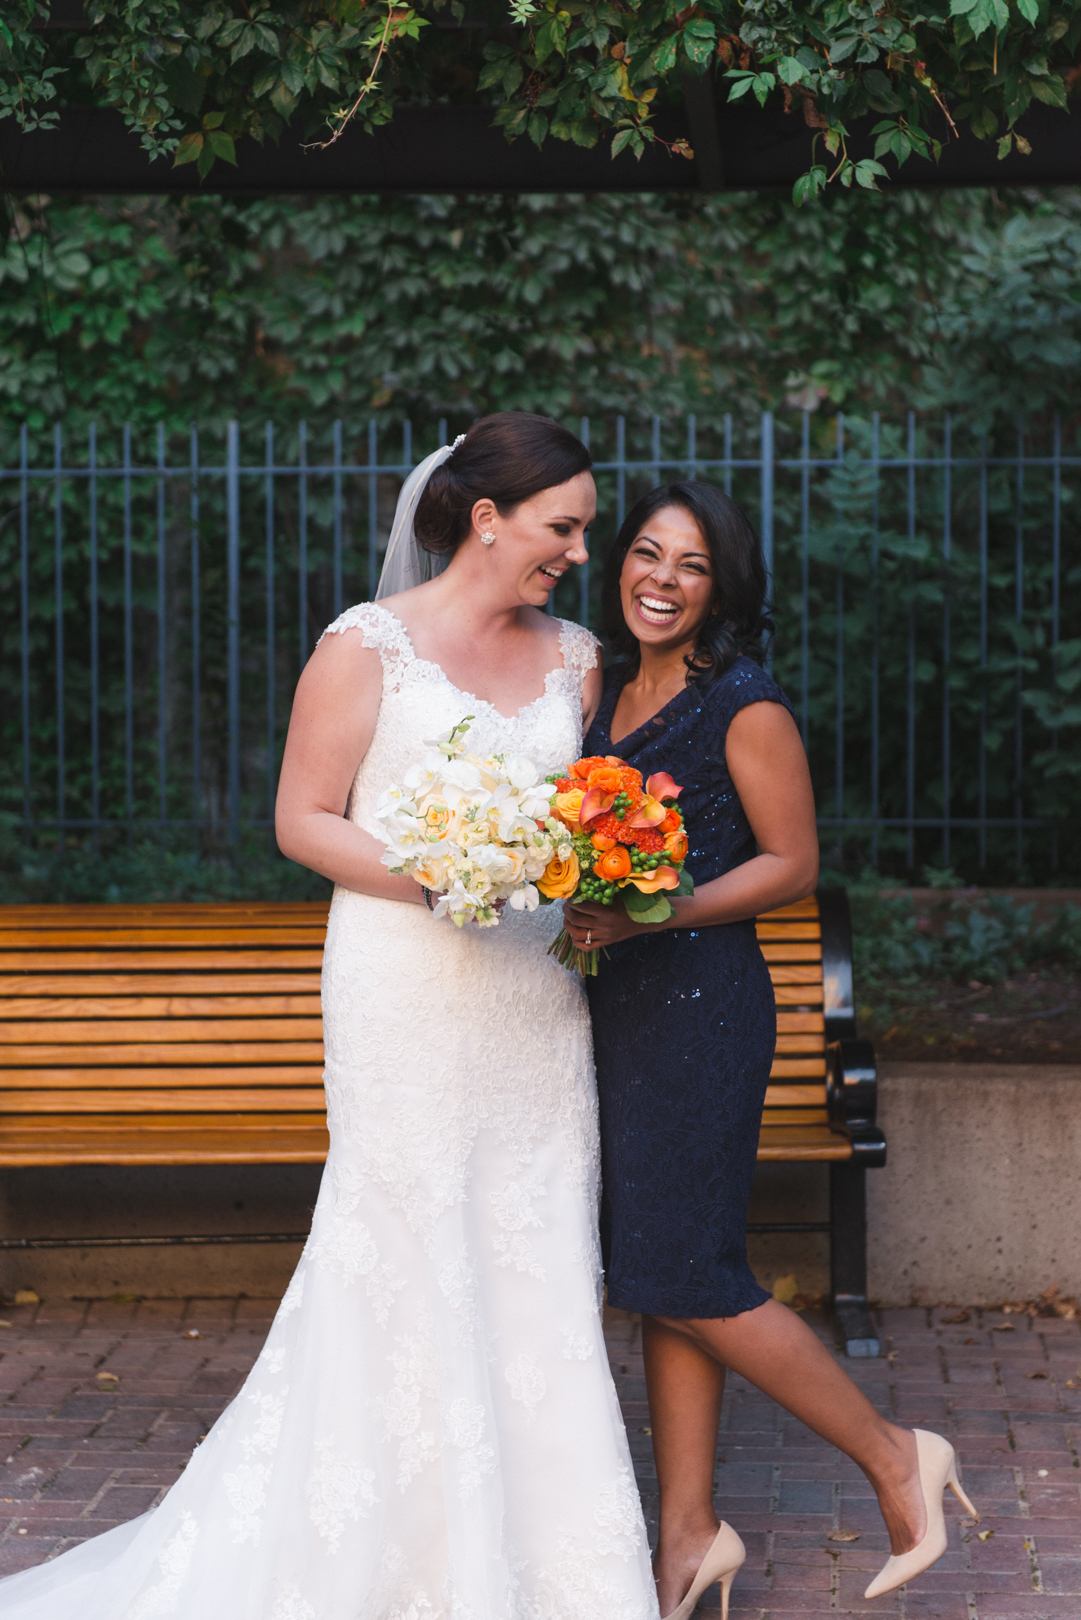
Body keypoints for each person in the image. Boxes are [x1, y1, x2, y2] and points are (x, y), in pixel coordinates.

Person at [0, 414, 658, 1620]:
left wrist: (586, 872)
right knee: (402, 1247)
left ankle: (549, 1565)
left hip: (529, 994)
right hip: (403, 985)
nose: (577, 550)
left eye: (582, 529)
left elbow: (584, 818)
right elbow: (303, 818)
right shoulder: (367, 646)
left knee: (533, 1247)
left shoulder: (575, 659)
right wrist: (439, 872)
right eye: (562, 526)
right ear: (486, 518)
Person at [562, 481, 977, 1619]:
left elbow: (789, 865)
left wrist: (657, 912)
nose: (660, 579)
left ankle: (898, 1455)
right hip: (616, 1010)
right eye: (645, 554)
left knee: (692, 1273)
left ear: (722, 587)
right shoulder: (604, 685)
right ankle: (688, 1538)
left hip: (699, 1010)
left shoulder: (743, 703)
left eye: (689, 566)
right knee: (662, 1273)